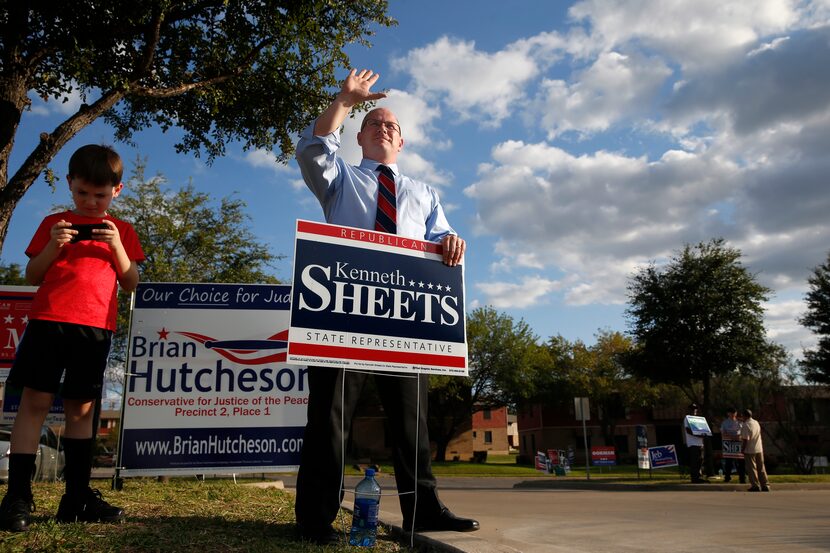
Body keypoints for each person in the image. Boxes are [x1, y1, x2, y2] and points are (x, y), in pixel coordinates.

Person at [293, 68, 477, 544]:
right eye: (374, 122)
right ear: (360, 135)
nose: (383, 128)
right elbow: (313, 150)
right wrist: (345, 99)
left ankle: (425, 509)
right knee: (330, 415)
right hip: (343, 312)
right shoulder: (340, 180)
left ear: (403, 141)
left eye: (391, 125)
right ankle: (316, 518)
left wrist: (452, 241)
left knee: (411, 419)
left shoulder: (425, 193)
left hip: (404, 318)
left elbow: (441, 237)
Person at [0, 144, 145, 532]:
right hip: (49, 321)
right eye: (82, 193)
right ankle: (17, 497)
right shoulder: (54, 224)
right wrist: (53, 245)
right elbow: (32, 275)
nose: (90, 201)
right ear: (70, 185)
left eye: (100, 195)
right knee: (35, 402)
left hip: (96, 328)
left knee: (82, 409)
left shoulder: (123, 231)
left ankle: (77, 497)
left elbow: (131, 282)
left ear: (117, 190)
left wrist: (115, 246)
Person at [740, 409, 770, 492]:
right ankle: (765, 484)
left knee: (752, 468)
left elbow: (745, 439)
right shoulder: (756, 422)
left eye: (742, 415)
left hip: (750, 449)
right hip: (759, 448)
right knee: (761, 467)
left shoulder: (746, 425)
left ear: (745, 416)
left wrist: (742, 449)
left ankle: (755, 485)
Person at [719, 407, 746, 483]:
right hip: (728, 444)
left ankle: (742, 478)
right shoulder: (725, 422)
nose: (733, 414)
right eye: (731, 412)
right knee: (728, 462)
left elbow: (743, 432)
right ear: (728, 413)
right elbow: (722, 432)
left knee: (741, 462)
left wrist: (738, 436)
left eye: (734, 412)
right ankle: (727, 477)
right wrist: (731, 436)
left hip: (738, 444)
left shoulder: (740, 422)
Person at [683, 403, 706, 483]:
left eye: (695, 409)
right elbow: (688, 430)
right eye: (692, 409)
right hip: (692, 443)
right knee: (694, 461)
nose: (694, 410)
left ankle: (699, 476)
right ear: (689, 410)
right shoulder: (687, 418)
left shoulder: (698, 419)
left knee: (700, 460)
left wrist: (703, 434)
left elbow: (703, 430)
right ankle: (694, 478)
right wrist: (698, 434)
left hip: (700, 443)